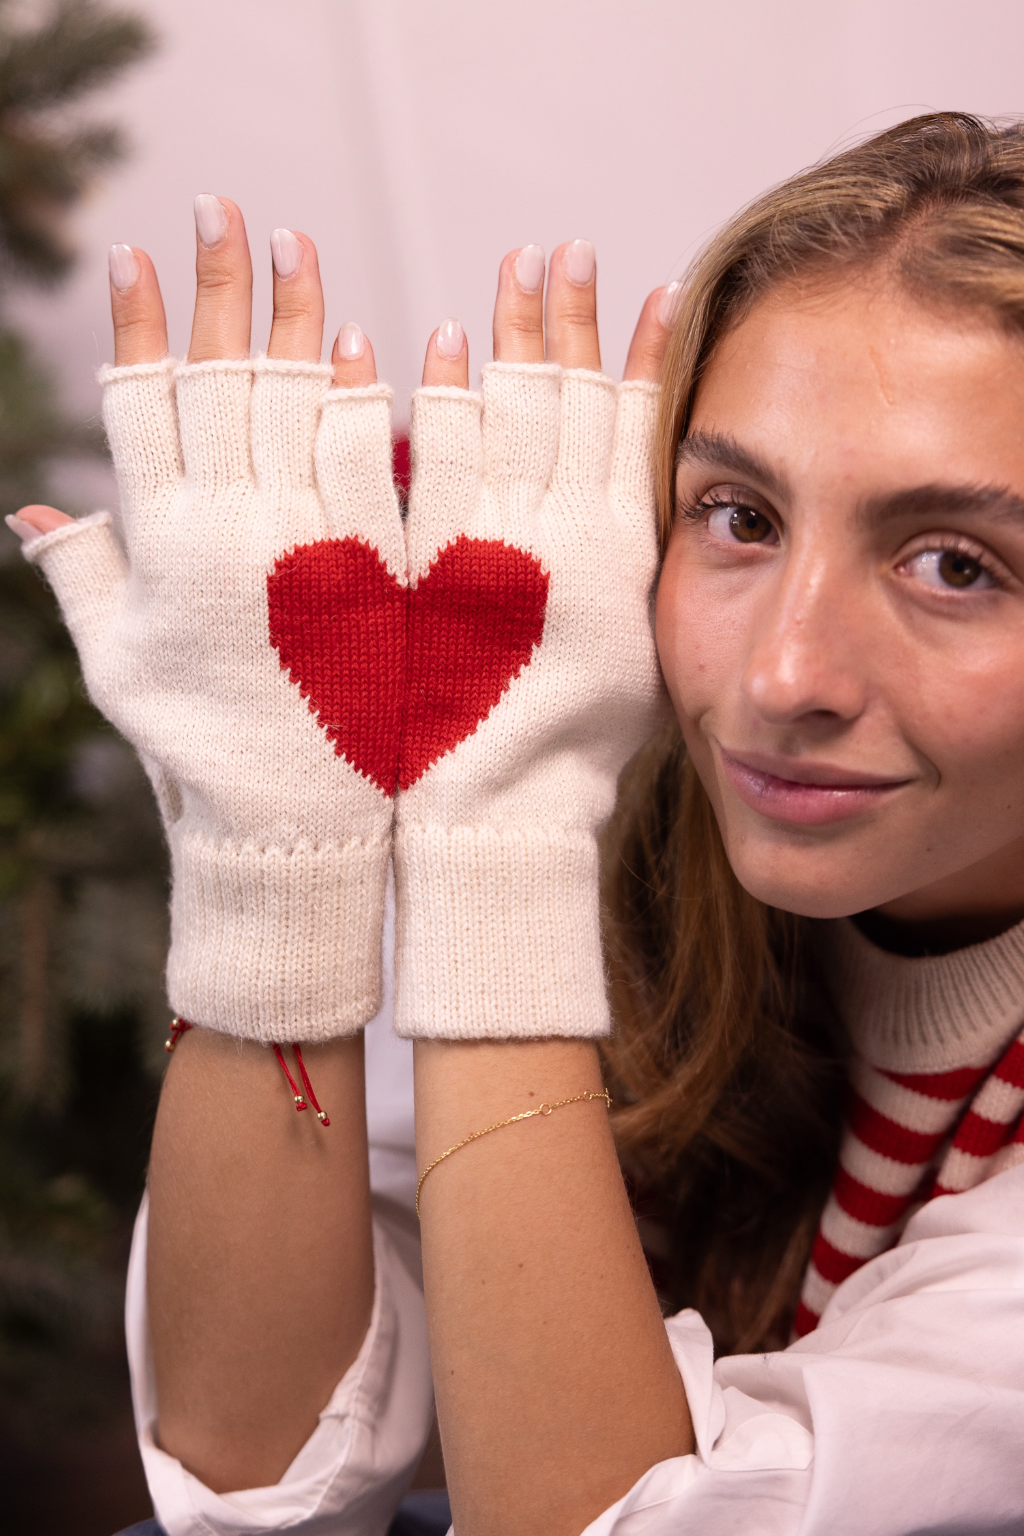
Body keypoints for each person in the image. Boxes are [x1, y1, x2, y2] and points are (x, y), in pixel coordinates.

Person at [8, 111, 1024, 1536]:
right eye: (738, 516)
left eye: (954, 564)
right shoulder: (648, 824)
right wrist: (265, 843)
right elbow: (252, 1479)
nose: (785, 675)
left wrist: (503, 853)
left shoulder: (546, 817)